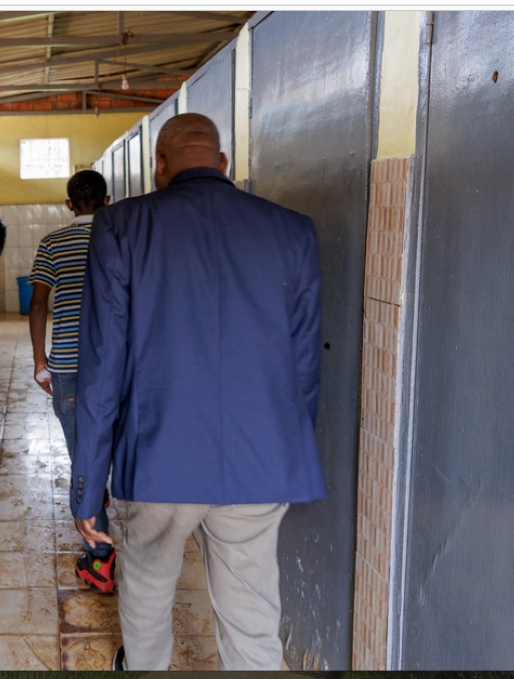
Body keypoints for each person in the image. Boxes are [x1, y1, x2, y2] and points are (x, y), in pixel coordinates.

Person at [71, 113, 328, 671]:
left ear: (159, 165)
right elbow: (303, 365)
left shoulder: (120, 226)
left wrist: (87, 487)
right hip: (260, 460)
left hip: (159, 462)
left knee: (145, 603)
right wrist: (284, 450)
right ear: (223, 163)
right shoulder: (291, 230)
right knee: (252, 620)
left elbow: (101, 368)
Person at [28, 170, 115, 593]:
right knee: (119, 449)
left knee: (84, 455)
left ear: (69, 205)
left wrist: (40, 363)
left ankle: (100, 558)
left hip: (67, 368)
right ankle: (114, 531)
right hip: (117, 365)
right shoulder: (120, 238)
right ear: (107, 200)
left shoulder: (53, 244)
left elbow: (38, 304)